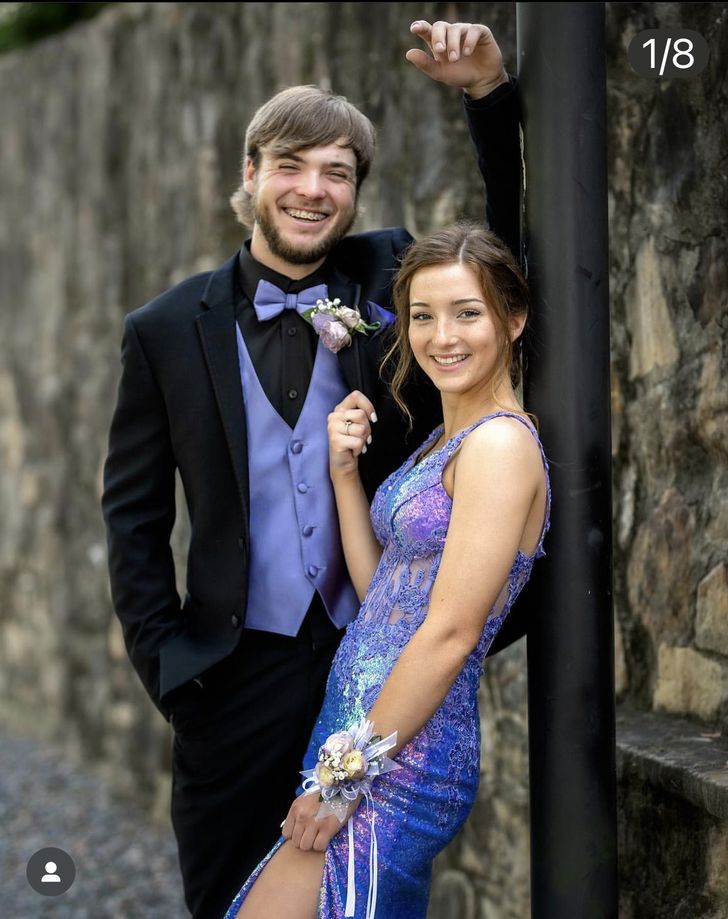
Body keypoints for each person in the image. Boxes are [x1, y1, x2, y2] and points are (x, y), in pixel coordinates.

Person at [101, 19, 521, 919]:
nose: (313, 189)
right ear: (250, 177)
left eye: (338, 171)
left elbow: (509, 268)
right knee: (228, 899)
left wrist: (488, 95)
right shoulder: (165, 330)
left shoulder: (389, 277)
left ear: (356, 193)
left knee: (362, 899)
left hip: (372, 670)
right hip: (233, 675)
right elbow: (131, 518)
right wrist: (172, 669)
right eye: (291, 165)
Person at [225, 223, 550, 919]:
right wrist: (344, 475)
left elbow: (452, 633)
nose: (443, 337)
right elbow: (384, 603)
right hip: (357, 729)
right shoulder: (446, 439)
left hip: (402, 752)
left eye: (468, 313)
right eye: (423, 316)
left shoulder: (499, 447)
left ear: (513, 319)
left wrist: (344, 779)